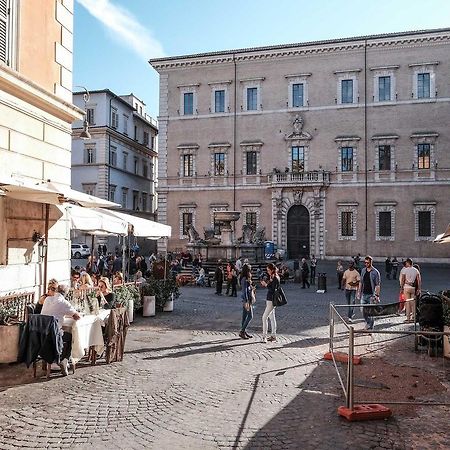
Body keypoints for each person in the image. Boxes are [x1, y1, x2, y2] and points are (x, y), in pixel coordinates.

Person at [41, 281, 81, 376]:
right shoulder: (64, 302)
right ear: (66, 293)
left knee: (63, 333)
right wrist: (70, 315)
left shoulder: (47, 300)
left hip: (42, 334)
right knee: (71, 336)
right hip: (53, 335)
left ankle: (54, 360)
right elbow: (77, 316)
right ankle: (63, 360)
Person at [357, 256, 381, 331]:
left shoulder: (375, 272)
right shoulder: (363, 270)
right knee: (363, 310)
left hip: (371, 295)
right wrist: (359, 292)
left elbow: (377, 285)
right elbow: (361, 282)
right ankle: (368, 323)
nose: (366, 264)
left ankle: (370, 327)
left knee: (371, 312)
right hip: (364, 294)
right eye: (365, 262)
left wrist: (376, 295)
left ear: (371, 262)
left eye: (367, 263)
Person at [260, 263, 279, 343]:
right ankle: (273, 335)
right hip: (270, 300)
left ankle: (264, 336)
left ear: (272, 270)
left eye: (268, 270)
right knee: (272, 317)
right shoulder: (273, 277)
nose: (267, 272)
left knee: (264, 317)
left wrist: (266, 285)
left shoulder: (275, 277)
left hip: (271, 300)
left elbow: (273, 289)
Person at [399, 258, 421, 323]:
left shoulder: (405, 270)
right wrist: (419, 289)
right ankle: (413, 318)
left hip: (406, 287)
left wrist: (401, 288)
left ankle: (408, 318)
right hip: (413, 288)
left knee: (407, 303)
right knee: (413, 303)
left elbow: (402, 280)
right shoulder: (416, 270)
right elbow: (419, 280)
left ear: (408, 263)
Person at [239, 264, 254, 339]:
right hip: (246, 300)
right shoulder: (244, 279)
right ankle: (242, 331)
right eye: (250, 270)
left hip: (246, 299)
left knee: (244, 316)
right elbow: (244, 290)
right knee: (250, 316)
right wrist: (247, 301)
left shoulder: (245, 278)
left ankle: (243, 331)